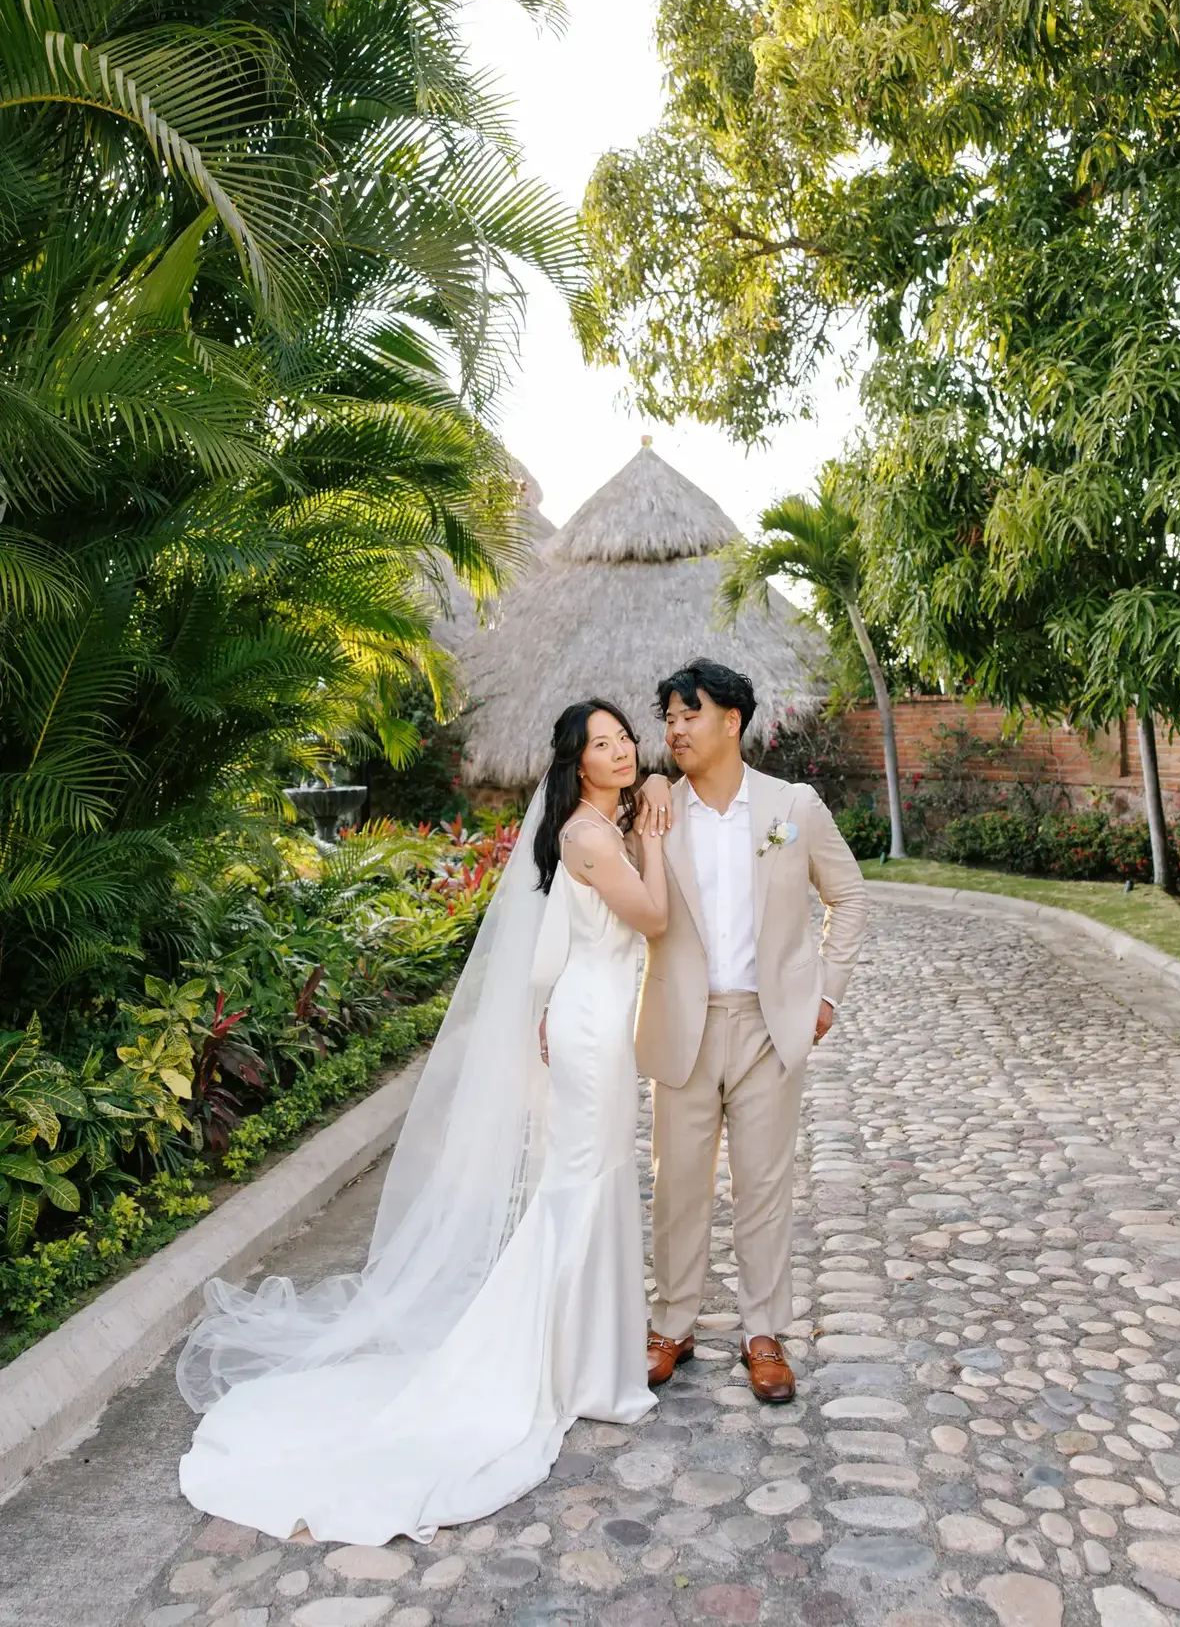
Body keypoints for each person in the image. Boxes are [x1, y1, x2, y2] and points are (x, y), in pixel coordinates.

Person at [175, 699, 668, 1547]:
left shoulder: (598, 822)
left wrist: (648, 795)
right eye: (604, 743)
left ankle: (590, 1358)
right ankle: (568, 1364)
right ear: (576, 761)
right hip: (591, 1026)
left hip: (594, 1014)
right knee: (584, 1183)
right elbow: (654, 917)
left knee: (590, 1179)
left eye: (625, 738)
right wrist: (653, 835)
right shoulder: (591, 836)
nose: (622, 750)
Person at [633, 659, 868, 1402]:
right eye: (669, 718)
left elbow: (849, 895)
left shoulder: (791, 806)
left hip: (768, 1027)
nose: (675, 729)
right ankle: (671, 1324)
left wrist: (826, 997)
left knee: (764, 1186)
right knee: (677, 1185)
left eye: (690, 715)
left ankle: (763, 1332)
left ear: (731, 721)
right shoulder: (657, 810)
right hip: (685, 1022)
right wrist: (646, 788)